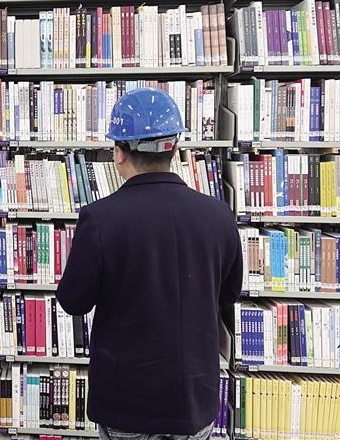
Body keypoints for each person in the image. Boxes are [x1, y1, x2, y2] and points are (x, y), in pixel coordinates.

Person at [56, 88, 242, 440]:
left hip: (126, 401)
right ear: (174, 148)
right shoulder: (219, 215)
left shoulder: (100, 218)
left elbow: (73, 301)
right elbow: (228, 293)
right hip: (193, 398)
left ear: (119, 152)